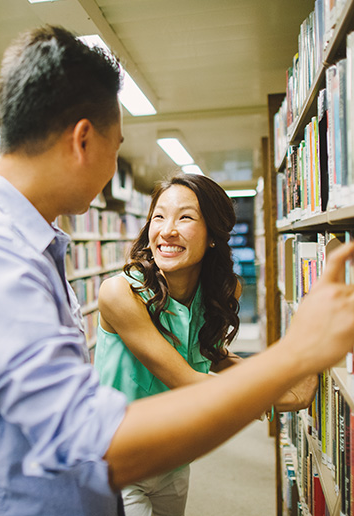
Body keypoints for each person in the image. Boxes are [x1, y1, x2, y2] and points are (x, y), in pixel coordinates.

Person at [0, 25, 354, 516]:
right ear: (83, 141)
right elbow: (97, 445)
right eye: (116, 148)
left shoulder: (23, 248)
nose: (114, 170)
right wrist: (297, 353)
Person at [94, 173, 317, 515]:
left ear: (213, 234)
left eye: (185, 217)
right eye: (158, 216)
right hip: (119, 459)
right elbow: (186, 381)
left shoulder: (217, 293)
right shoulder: (120, 293)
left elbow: (213, 356)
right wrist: (279, 396)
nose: (167, 230)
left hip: (174, 456)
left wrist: (288, 372)